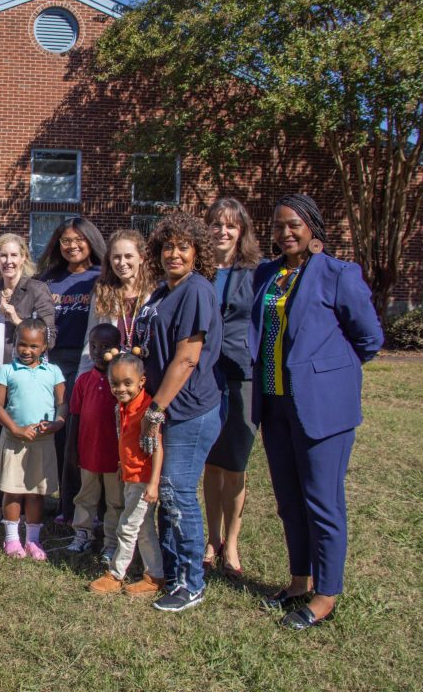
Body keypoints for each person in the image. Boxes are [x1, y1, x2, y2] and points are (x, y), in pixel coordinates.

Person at [250, 194, 383, 630]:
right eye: (278, 225)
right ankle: (298, 582)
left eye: (294, 224)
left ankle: (326, 595)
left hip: (321, 407)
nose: (285, 232)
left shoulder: (339, 274)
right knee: (289, 502)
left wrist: (326, 373)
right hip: (275, 403)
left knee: (322, 503)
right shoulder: (269, 275)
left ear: (312, 226)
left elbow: (368, 338)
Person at [132, 212, 224, 612]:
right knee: (168, 495)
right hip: (165, 409)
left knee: (176, 491)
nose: (174, 253)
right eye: (168, 246)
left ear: (197, 252)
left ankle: (191, 582)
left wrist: (156, 409)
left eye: (183, 246)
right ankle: (171, 572)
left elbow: (187, 359)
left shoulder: (196, 290)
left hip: (187, 410)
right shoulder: (161, 292)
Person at [201, 198, 263, 578]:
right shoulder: (199, 269)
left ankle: (233, 543)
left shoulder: (256, 272)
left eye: (230, 225)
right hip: (206, 374)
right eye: (216, 224)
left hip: (242, 374)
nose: (222, 231)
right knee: (210, 462)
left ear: (241, 231)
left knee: (236, 464)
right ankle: (212, 538)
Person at [36, 216, 107, 523]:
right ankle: (47, 498)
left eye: (79, 239)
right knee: (51, 432)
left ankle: (74, 504)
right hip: (50, 362)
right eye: (66, 240)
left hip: (85, 362)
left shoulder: (101, 277)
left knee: (76, 434)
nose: (73, 246)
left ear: (91, 241)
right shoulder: (47, 279)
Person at [0, 318, 67, 561]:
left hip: (42, 443)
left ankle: (32, 539)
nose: (27, 350)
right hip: (14, 441)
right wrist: (15, 428)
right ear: (15, 343)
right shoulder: (7, 370)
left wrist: (57, 423)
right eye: (22, 344)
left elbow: (62, 404)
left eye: (34, 346)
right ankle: (12, 538)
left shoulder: (53, 372)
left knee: (35, 493)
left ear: (44, 347)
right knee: (12, 491)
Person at [88, 352, 165, 596]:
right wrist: (123, 465)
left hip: (144, 481)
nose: (120, 389)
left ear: (141, 381)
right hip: (132, 476)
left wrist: (153, 484)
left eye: (127, 383)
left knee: (128, 526)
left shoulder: (146, 410)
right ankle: (155, 575)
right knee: (143, 529)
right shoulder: (122, 407)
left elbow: (157, 448)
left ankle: (116, 573)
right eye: (115, 384)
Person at [66, 324, 124, 561]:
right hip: (88, 454)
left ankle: (111, 543)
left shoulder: (122, 384)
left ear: (118, 349)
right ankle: (82, 534)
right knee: (85, 497)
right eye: (94, 346)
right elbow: (75, 418)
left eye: (106, 347)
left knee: (115, 502)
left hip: (115, 459)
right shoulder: (83, 381)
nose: (99, 352)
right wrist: (72, 451)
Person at [78, 228, 155, 376]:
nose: (122, 262)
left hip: (146, 375)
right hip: (111, 377)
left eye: (128, 256)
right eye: (116, 257)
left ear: (141, 258)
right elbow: (90, 341)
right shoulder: (102, 294)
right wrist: (82, 381)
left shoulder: (155, 294)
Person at [0, 232, 57, 363]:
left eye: (14, 255)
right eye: (3, 256)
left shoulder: (37, 289)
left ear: (23, 258)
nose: (8, 261)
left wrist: (17, 320)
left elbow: (49, 339)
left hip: (25, 369)